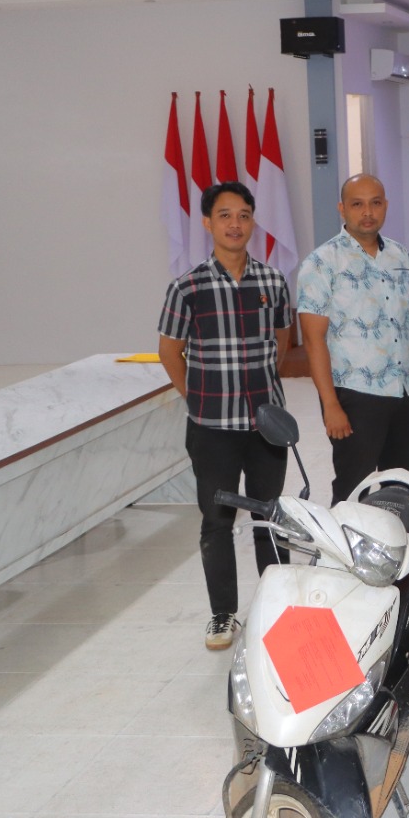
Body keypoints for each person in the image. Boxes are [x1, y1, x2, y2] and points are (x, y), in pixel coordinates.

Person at [157, 181, 291, 650]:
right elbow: (169, 351)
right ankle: (222, 615)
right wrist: (197, 398)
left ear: (253, 221)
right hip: (212, 428)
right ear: (208, 222)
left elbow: (282, 342)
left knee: (270, 517)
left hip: (266, 426)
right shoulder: (187, 287)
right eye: (225, 215)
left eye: (244, 215)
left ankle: (278, 610)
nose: (236, 224)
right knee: (217, 521)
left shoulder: (272, 281)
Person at [296, 174, 409, 505]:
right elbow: (313, 340)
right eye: (357, 204)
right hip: (356, 396)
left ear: (386, 206)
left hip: (405, 390)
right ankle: (348, 543)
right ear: (342, 209)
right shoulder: (322, 262)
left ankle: (399, 540)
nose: (368, 212)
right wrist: (330, 405)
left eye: (375, 203)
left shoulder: (401, 256)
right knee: (354, 490)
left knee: (401, 488)